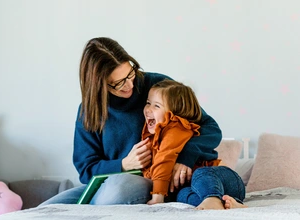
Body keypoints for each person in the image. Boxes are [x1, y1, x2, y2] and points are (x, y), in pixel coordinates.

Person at [40, 37, 222, 206]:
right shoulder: (89, 111)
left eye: (130, 74)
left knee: (117, 188)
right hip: (106, 181)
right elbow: (86, 169)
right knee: (47, 209)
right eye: (118, 83)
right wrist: (124, 164)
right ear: (99, 85)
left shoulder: (158, 86)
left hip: (146, 180)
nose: (130, 85)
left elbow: (210, 128)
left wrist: (185, 158)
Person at [140, 80, 246, 209]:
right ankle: (228, 204)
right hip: (204, 190)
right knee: (183, 196)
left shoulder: (176, 127)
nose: (148, 109)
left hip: (225, 180)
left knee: (200, 174)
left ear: (175, 113)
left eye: (156, 106)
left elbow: (164, 159)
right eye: (148, 103)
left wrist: (157, 197)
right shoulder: (155, 136)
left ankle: (212, 198)